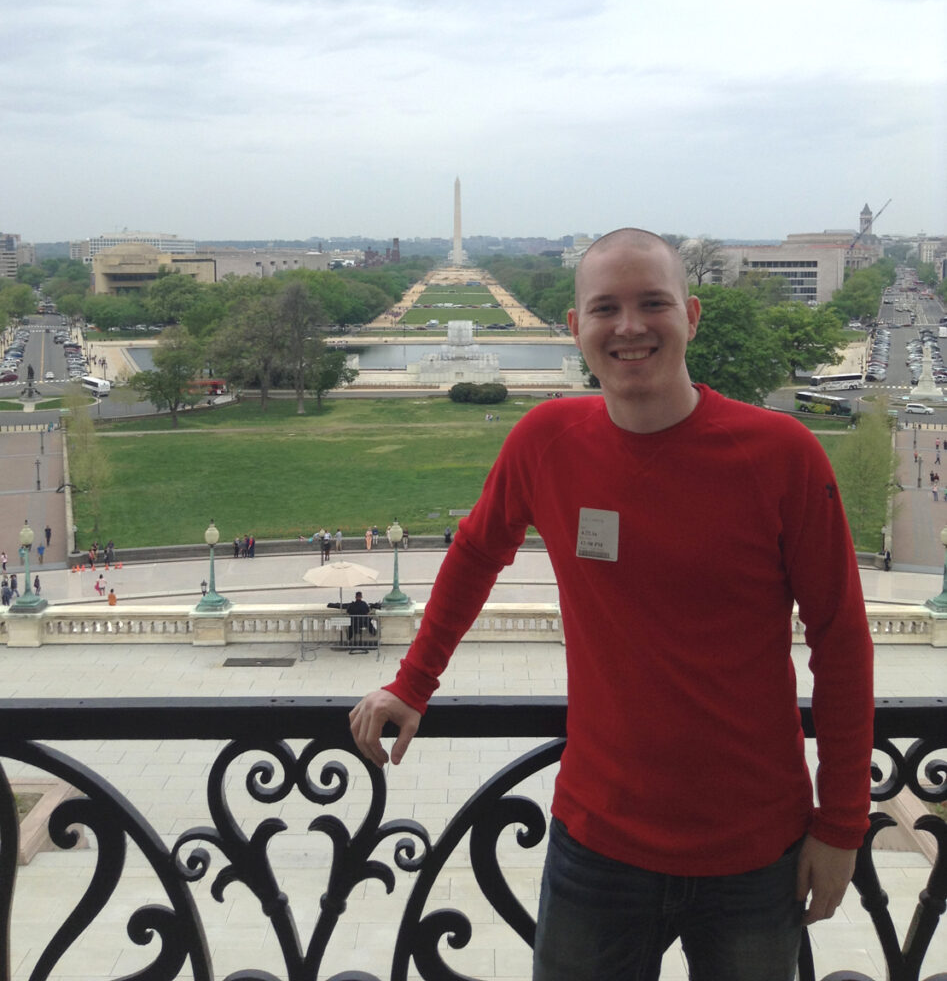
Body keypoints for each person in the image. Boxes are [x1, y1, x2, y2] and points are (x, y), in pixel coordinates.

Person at [350, 228, 874, 981]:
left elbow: (841, 642)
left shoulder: (781, 456)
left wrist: (842, 823)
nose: (629, 327)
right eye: (605, 308)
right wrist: (413, 681)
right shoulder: (546, 440)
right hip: (597, 843)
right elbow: (474, 553)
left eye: (652, 303)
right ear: (575, 329)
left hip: (755, 851)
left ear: (690, 315)